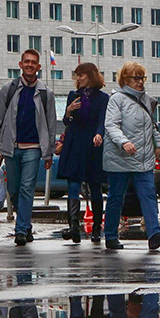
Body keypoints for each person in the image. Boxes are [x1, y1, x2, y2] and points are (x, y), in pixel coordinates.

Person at [0, 49, 57, 246]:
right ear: (20, 64)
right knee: (14, 189)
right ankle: (26, 223)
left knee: (26, 189)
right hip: (11, 148)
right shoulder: (9, 89)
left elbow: (51, 125)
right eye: (27, 62)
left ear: (39, 67)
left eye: (34, 62)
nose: (30, 65)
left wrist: (48, 151)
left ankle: (21, 230)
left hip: (33, 149)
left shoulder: (45, 93)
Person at [102, 61, 160, 251]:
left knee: (149, 195)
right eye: (136, 78)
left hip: (143, 157)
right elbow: (111, 125)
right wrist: (123, 142)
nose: (140, 82)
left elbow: (151, 125)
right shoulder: (116, 99)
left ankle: (154, 234)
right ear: (125, 79)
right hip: (119, 157)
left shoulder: (147, 99)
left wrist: (158, 144)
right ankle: (110, 235)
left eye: (142, 78)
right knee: (116, 197)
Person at [57, 63, 110, 243]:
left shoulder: (103, 98)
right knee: (73, 184)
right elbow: (67, 121)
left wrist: (99, 134)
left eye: (81, 75)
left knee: (94, 185)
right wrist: (69, 111)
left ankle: (96, 227)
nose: (78, 78)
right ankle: (74, 227)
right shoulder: (74, 95)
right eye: (77, 75)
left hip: (93, 144)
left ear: (91, 76)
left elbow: (102, 120)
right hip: (74, 143)